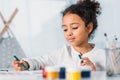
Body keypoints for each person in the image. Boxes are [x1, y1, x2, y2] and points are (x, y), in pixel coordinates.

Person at [13, 0, 106, 71]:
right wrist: (26, 64)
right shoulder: (63, 53)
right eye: (65, 29)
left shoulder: (103, 56)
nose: (68, 33)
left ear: (89, 28)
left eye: (74, 27)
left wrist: (95, 73)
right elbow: (40, 61)